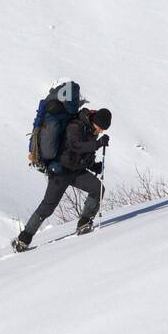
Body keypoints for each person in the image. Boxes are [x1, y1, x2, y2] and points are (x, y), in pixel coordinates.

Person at [14, 104, 112, 251]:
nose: (100, 130)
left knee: (97, 188)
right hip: (60, 171)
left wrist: (93, 166)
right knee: (48, 207)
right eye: (100, 127)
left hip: (76, 171)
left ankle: (84, 223)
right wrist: (97, 144)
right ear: (94, 120)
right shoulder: (75, 125)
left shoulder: (91, 130)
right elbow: (75, 146)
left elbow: (83, 154)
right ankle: (23, 239)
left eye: (103, 129)